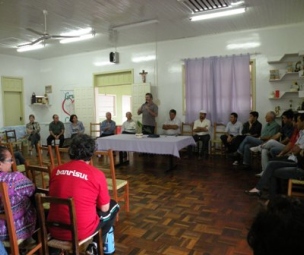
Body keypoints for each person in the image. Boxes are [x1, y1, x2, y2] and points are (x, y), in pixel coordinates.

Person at [48, 134, 119, 254]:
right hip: (80, 231)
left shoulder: (56, 171)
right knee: (114, 206)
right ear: (91, 154)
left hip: (54, 228)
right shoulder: (96, 174)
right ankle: (95, 245)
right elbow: (104, 208)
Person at [244, 113, 304, 197]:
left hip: (298, 163)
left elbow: (294, 149)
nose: (296, 123)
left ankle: (264, 191)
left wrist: (295, 150)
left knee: (272, 165)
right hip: (293, 157)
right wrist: (293, 150)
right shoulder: (301, 132)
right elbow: (294, 147)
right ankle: (270, 194)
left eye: (297, 121)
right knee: (270, 160)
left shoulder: (301, 133)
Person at [0, 146, 36, 241]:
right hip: (13, 230)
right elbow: (32, 189)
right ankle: (33, 239)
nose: (12, 162)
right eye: (10, 160)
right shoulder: (14, 178)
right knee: (33, 199)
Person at [252, 110, 296, 176]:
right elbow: (277, 135)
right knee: (264, 150)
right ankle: (265, 172)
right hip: (282, 145)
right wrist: (272, 142)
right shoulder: (285, 126)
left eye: (284, 118)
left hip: (288, 147)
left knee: (272, 142)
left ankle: (258, 148)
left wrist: (276, 143)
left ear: (290, 119)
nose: (283, 120)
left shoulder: (294, 127)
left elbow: (288, 140)